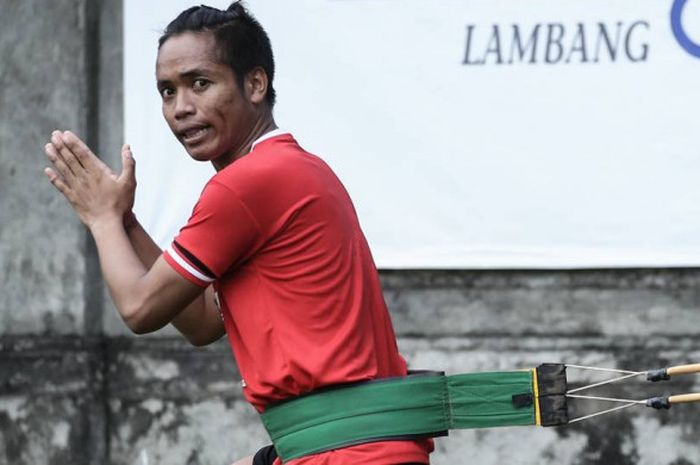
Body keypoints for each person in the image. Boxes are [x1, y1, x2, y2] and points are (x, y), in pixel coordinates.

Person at [43, 3, 432, 464]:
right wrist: (124, 220)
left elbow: (140, 307)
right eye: (167, 91)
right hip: (349, 447)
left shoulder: (248, 182)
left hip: (349, 452)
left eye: (200, 83)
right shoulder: (290, 166)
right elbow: (203, 322)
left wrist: (102, 220)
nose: (181, 108)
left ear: (255, 83)